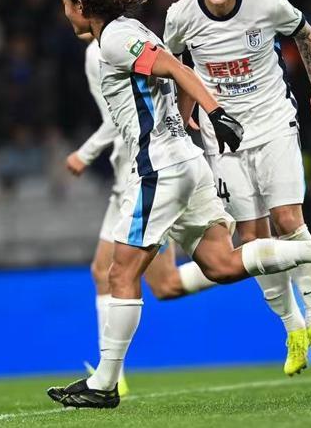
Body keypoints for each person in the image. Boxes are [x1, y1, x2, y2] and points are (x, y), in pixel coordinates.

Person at [47, 0, 311, 409]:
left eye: (66, 3)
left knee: (120, 272)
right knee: (220, 264)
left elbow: (175, 67)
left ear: (81, 5)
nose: (64, 12)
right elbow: (169, 64)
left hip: (159, 168)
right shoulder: (127, 30)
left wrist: (216, 112)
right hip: (189, 164)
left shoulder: (116, 39)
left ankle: (104, 384)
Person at [164, 0, 311, 376]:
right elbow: (176, 65)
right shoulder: (180, 16)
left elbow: (304, 33)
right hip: (222, 136)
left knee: (289, 220)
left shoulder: (267, 2)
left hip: (274, 122)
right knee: (252, 238)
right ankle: (293, 330)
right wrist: (186, 109)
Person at [67, 38, 223, 396]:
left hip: (144, 173)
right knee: (105, 272)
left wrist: (85, 154)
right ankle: (112, 375)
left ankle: (250, 260)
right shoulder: (142, 37)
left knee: (163, 284)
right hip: (139, 168)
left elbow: (116, 118)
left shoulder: (101, 51)